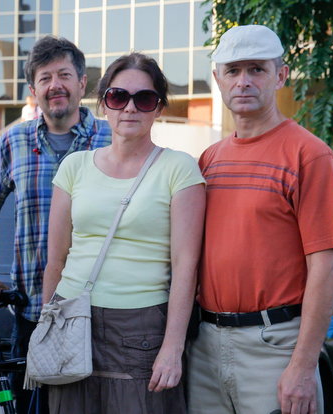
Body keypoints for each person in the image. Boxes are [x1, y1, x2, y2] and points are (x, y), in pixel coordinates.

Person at [188, 25, 333, 414]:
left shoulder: (309, 156)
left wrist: (302, 366)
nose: (243, 81)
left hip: (275, 346)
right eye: (233, 70)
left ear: (281, 75)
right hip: (205, 346)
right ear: (218, 79)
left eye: (256, 69)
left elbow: (325, 269)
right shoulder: (209, 160)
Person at [40, 52, 205, 413]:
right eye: (118, 97)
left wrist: (172, 347)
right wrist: (46, 326)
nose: (130, 108)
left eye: (144, 99)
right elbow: (56, 260)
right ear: (102, 104)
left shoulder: (179, 168)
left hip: (141, 329)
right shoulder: (75, 166)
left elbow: (186, 265)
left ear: (158, 108)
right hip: (70, 319)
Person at [0, 36, 111, 413]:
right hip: (35, 311)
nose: (56, 86)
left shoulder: (113, 138)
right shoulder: (12, 141)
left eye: (64, 74)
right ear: (33, 90)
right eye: (45, 78)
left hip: (106, 311)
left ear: (83, 83)